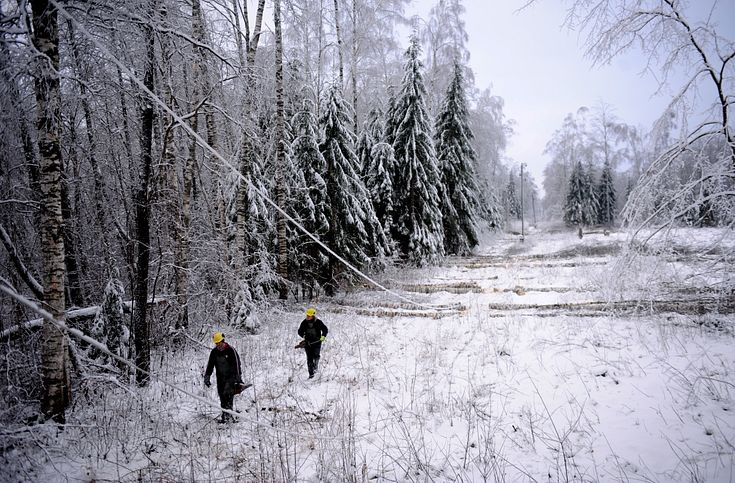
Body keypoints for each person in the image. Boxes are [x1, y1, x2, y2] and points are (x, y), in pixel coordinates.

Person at [204, 332, 243, 423]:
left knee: (228, 395)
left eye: (219, 343)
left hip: (231, 377)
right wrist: (207, 376)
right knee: (222, 397)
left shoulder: (231, 350)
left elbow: (236, 365)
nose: (218, 345)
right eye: (216, 343)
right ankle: (225, 416)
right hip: (220, 378)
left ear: (223, 341)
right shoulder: (214, 352)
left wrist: (238, 379)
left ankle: (229, 417)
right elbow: (210, 365)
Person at [297, 307, 328, 378]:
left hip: (317, 342)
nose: (307, 317)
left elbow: (325, 329)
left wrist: (323, 336)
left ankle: (316, 366)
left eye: (309, 316)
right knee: (309, 358)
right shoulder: (304, 322)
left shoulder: (318, 322)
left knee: (316, 356)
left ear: (313, 316)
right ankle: (311, 374)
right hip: (307, 343)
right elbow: (299, 331)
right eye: (307, 315)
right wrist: (303, 335)